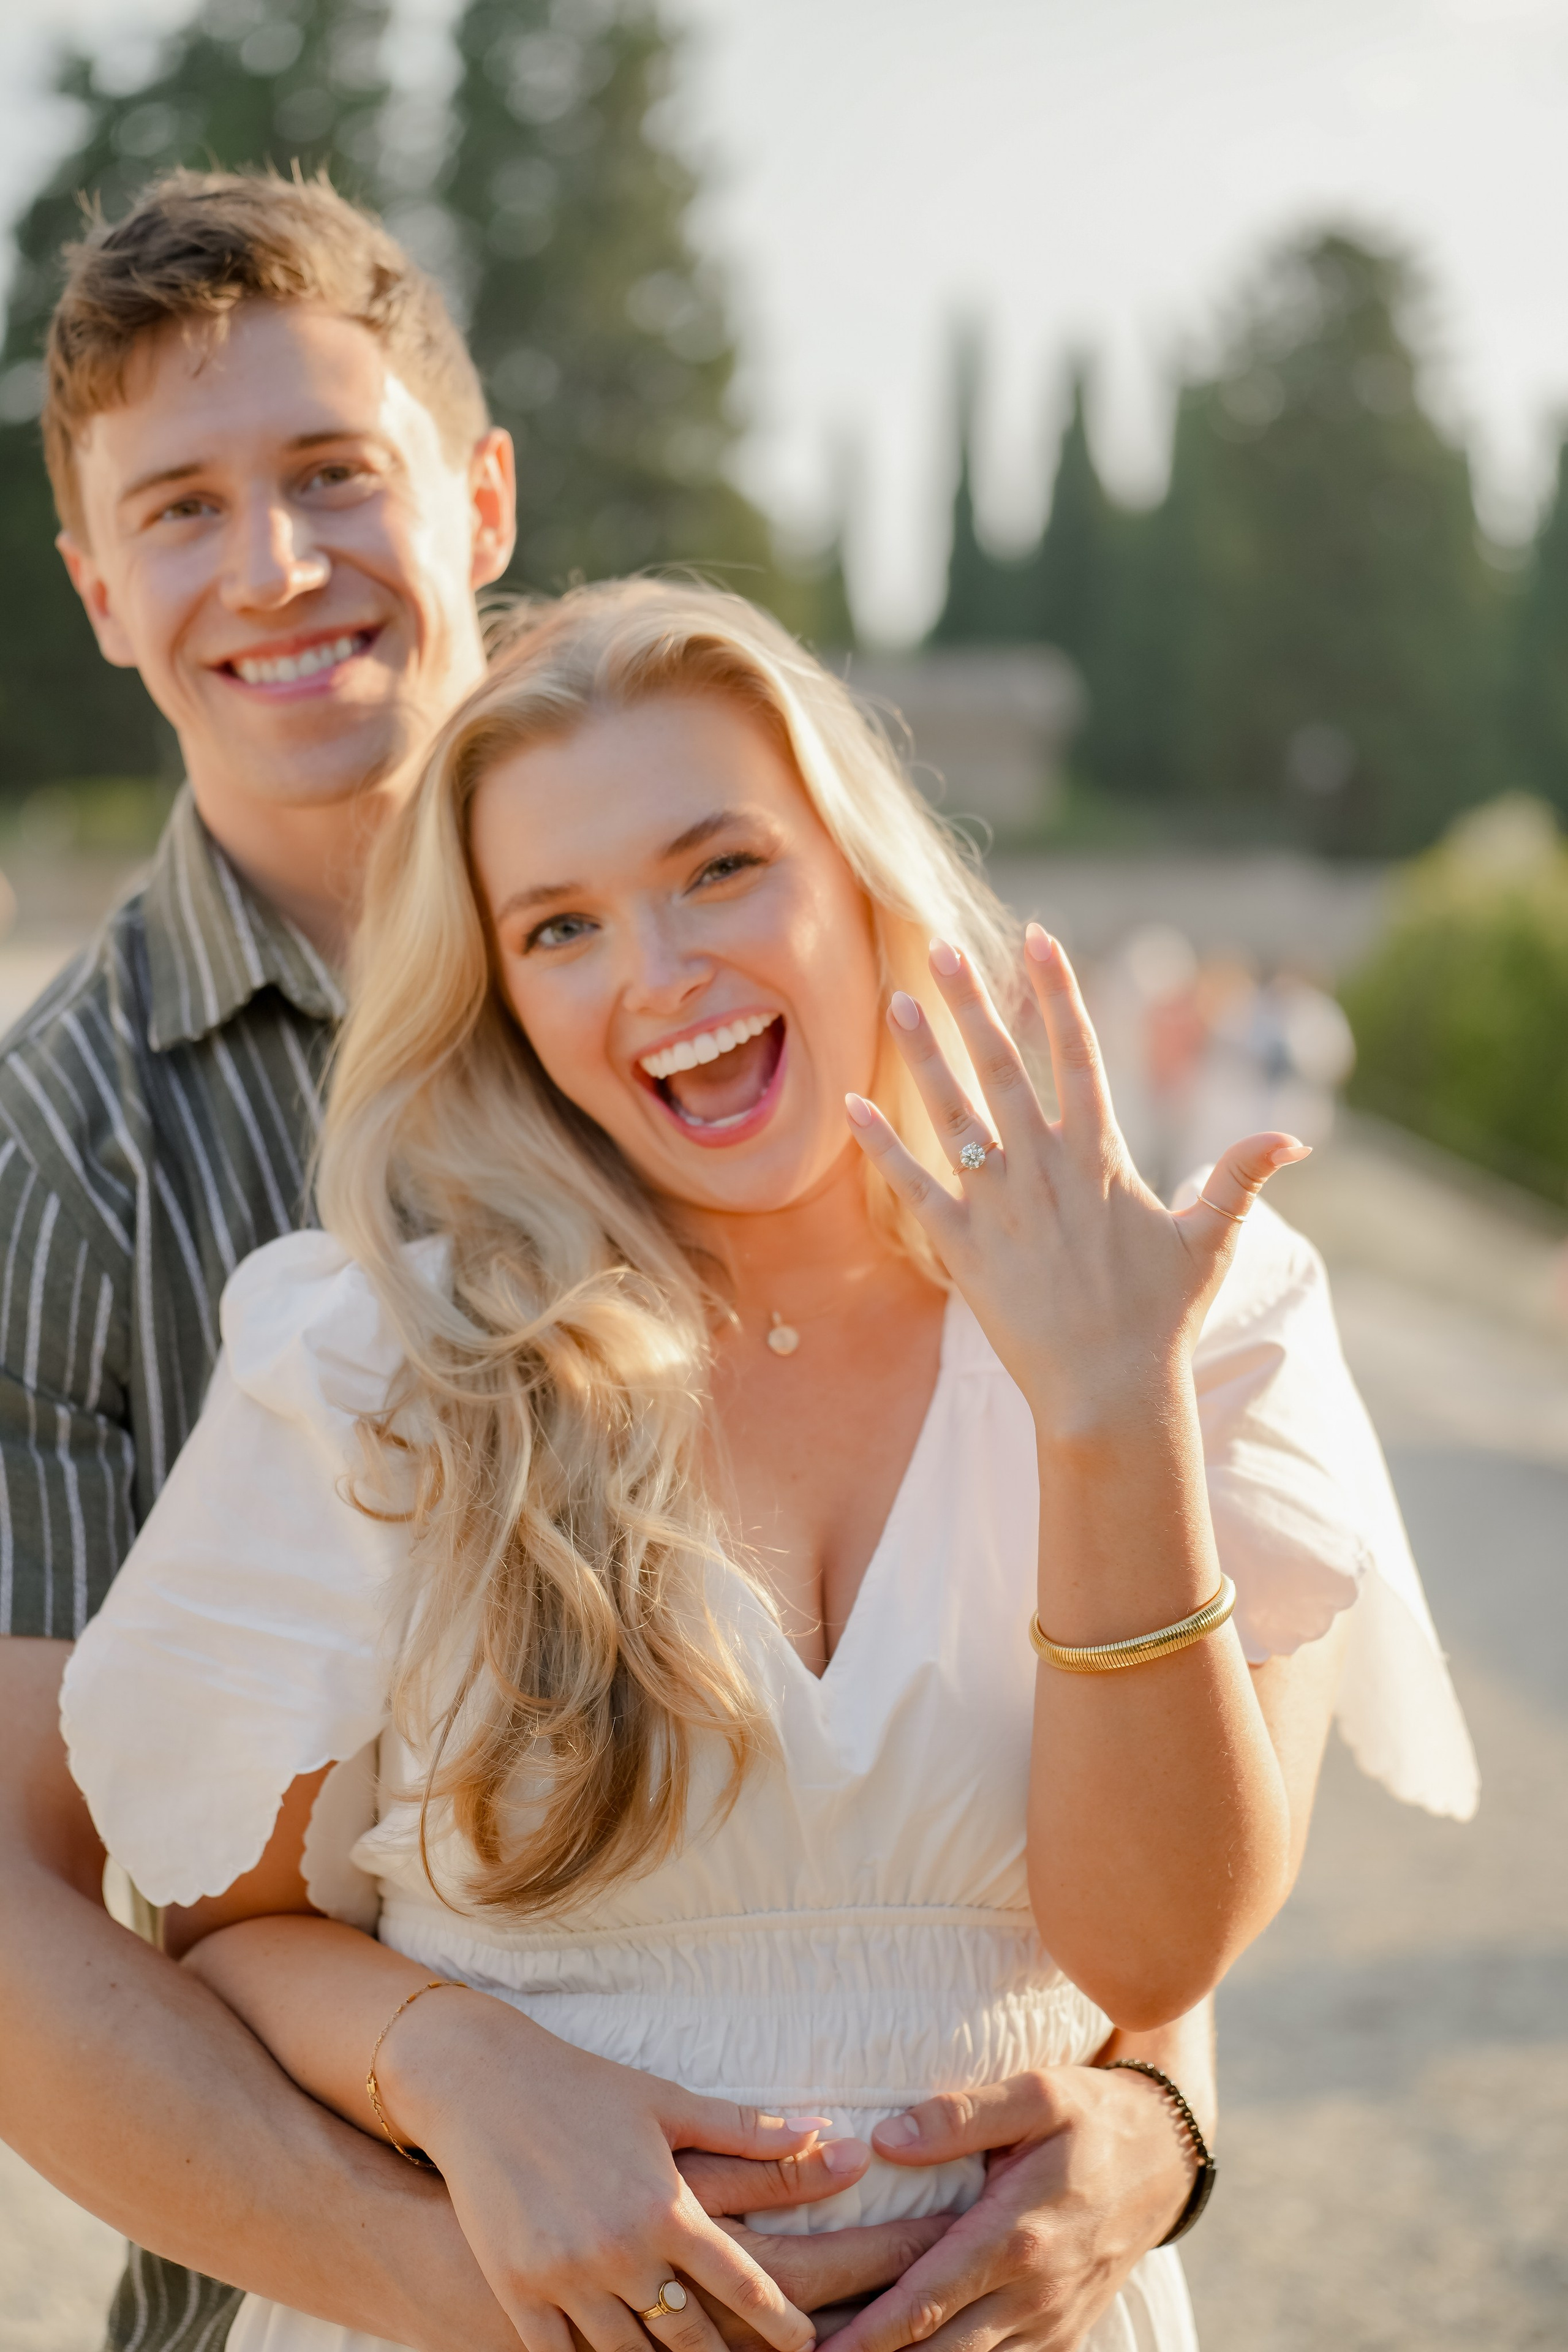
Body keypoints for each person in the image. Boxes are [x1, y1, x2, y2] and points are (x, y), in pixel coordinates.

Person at [0, 171, 1249, 2352]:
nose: (277, 564)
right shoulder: (61, 1163)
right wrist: (489, 2263)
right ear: (97, 587)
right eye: (180, 510)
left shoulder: (853, 1074)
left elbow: (1044, 1828)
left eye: (329, 473)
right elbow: (46, 1908)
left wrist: (1149, 2131)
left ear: (479, 496)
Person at [62, 581, 1479, 2352]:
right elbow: (227, 1930)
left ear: (861, 876)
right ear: (497, 994)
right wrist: (461, 2066)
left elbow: (1152, 1960)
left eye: (722, 869)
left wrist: (1107, 1407)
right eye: (560, 928)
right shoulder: (372, 1359)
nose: (660, 979)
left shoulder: (1196, 1313)